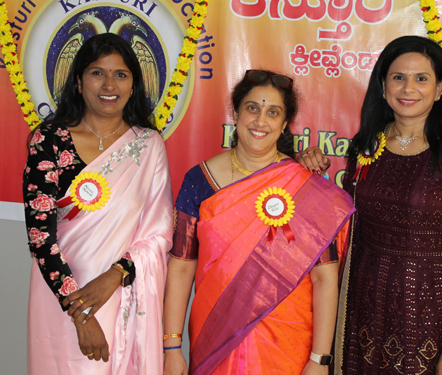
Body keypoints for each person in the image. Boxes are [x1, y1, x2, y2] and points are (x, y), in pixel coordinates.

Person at [299, 36, 442, 375]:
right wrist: (310, 173)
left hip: (428, 319)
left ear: (439, 88)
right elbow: (350, 220)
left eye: (422, 78)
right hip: (361, 309)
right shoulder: (369, 144)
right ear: (383, 85)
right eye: (398, 77)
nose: (408, 88)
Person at [162, 69, 355, 375]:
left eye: (273, 112)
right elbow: (182, 266)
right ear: (236, 113)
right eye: (252, 108)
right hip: (216, 338)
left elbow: (324, 278)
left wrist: (320, 360)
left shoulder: (305, 189)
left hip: (287, 345)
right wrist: (172, 347)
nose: (260, 121)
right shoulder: (199, 181)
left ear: (284, 125)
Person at [23, 33, 173, 375]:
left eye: (121, 74)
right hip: (62, 299)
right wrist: (81, 314)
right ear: (78, 81)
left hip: (121, 293)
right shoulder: (48, 140)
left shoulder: (148, 145)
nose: (109, 84)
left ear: (133, 85)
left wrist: (114, 277)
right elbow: (40, 237)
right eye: (97, 72)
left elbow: (159, 232)